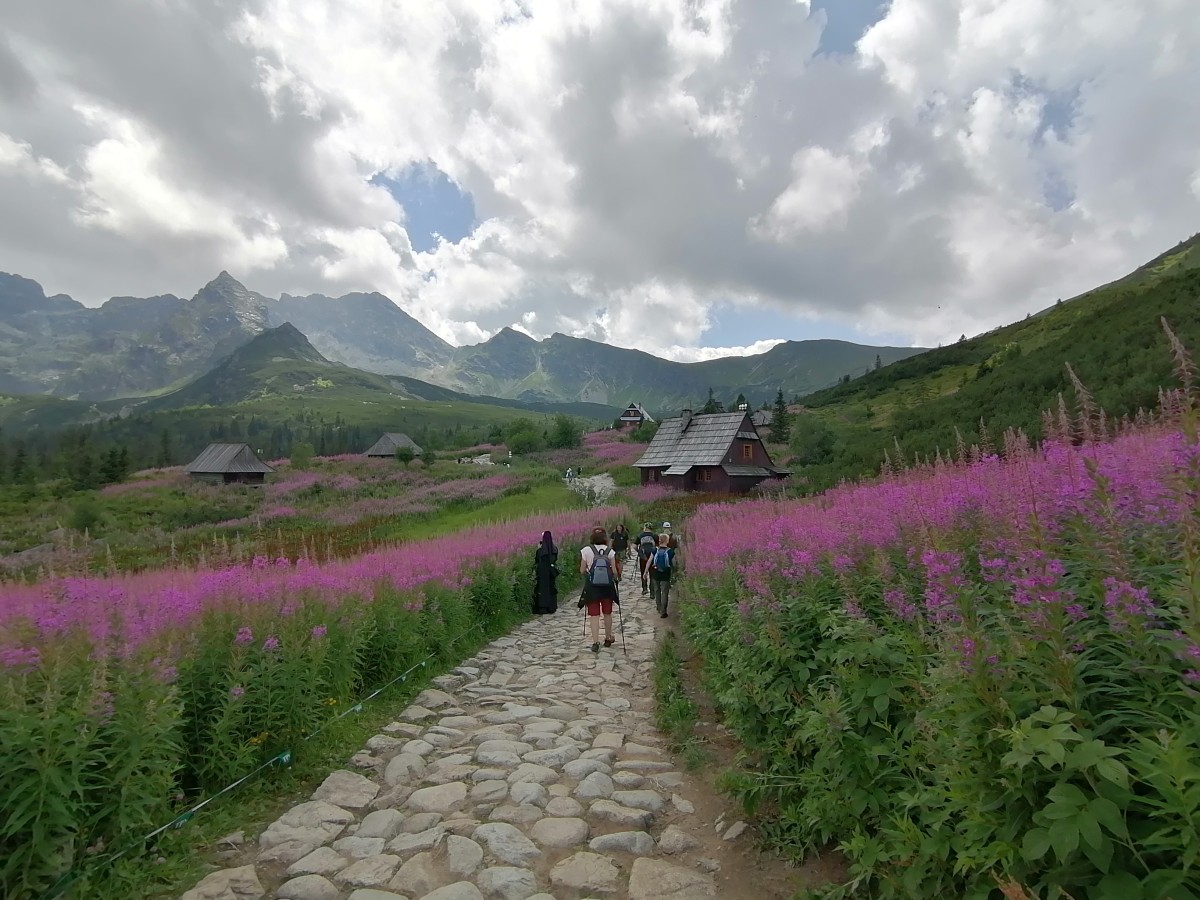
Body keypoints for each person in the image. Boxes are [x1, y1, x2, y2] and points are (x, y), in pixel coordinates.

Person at [579, 526, 622, 652]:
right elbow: (614, 571)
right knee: (607, 612)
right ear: (604, 537)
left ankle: (595, 641)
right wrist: (616, 578)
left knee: (594, 615)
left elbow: (582, 570)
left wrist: (589, 573)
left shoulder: (586, 550)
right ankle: (608, 638)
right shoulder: (610, 551)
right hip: (607, 586)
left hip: (592, 587)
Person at [648, 532, 676, 618]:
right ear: (667, 541)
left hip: (656, 573)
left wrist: (645, 572)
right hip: (666, 573)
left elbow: (649, 561)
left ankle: (658, 607)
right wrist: (674, 572)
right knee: (664, 592)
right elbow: (674, 564)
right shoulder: (671, 551)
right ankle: (663, 611)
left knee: (657, 591)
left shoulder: (655, 550)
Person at [532, 530, 560, 614]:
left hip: (542, 572)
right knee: (551, 588)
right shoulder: (554, 549)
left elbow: (537, 560)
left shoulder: (541, 551)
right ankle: (551, 607)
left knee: (542, 589)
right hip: (551, 572)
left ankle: (542, 607)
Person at [635, 522, 657, 594]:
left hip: (643, 556)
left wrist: (639, 551)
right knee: (652, 573)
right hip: (652, 555)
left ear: (645, 527)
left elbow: (635, 546)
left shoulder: (640, 535)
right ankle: (652, 591)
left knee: (643, 571)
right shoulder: (654, 536)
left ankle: (644, 588)